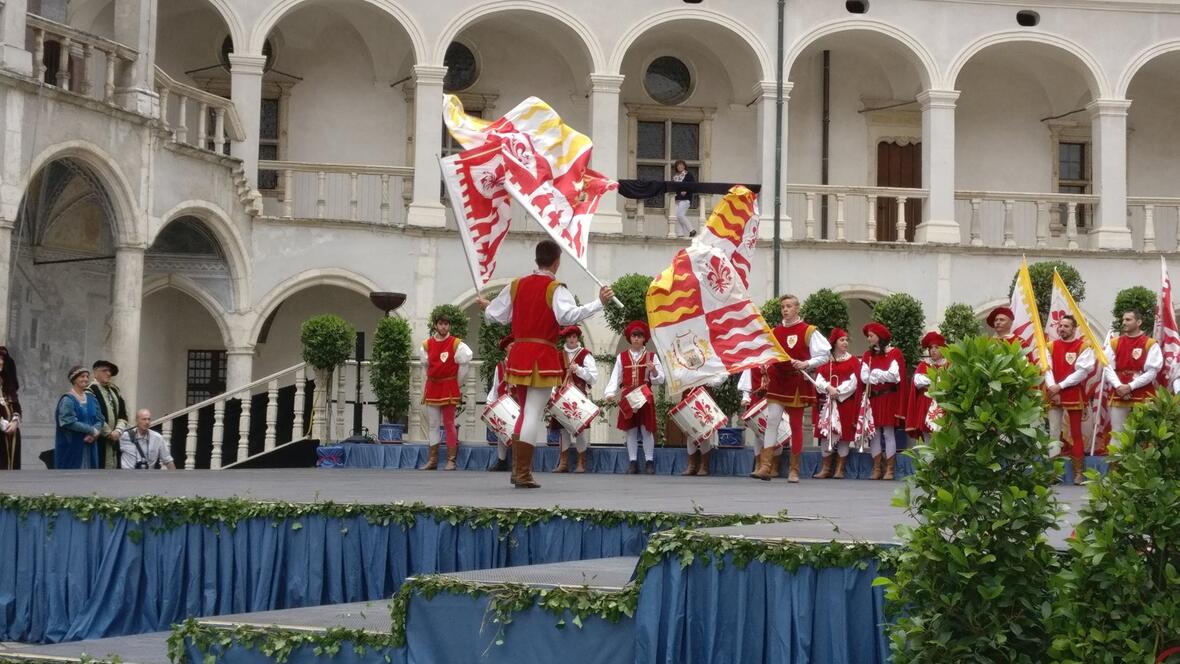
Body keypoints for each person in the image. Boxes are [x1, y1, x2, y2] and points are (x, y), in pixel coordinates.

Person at [481, 239, 613, 489]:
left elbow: (495, 315)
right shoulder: (555, 288)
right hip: (541, 354)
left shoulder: (516, 285)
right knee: (532, 412)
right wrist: (598, 303)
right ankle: (522, 473)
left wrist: (488, 308)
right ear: (556, 262)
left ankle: (518, 470)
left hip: (519, 352)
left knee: (524, 411)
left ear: (536, 259)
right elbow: (568, 316)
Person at [753, 294, 831, 483]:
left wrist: (806, 363)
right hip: (778, 380)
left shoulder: (808, 331)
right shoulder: (774, 332)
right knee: (772, 421)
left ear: (797, 308)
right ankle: (765, 466)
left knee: (796, 425)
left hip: (797, 382)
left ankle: (794, 470)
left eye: (789, 306)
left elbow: (825, 355)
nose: (785, 309)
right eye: (783, 307)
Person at [605, 321, 665, 474]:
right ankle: (632, 462)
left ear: (644, 339)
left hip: (644, 396)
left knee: (646, 430)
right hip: (628, 397)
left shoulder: (651, 356)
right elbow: (616, 376)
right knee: (630, 430)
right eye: (634, 335)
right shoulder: (622, 357)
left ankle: (649, 461)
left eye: (640, 336)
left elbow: (661, 379)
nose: (637, 338)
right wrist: (610, 393)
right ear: (630, 338)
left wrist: (654, 372)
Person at [417, 312, 473, 471]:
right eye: (441, 324)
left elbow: (463, 368)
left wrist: (455, 384)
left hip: (449, 388)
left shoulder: (457, 344)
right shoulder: (426, 345)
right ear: (436, 325)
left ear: (449, 326)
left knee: (449, 424)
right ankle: (433, 460)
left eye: (446, 324)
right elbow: (426, 368)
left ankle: (451, 460)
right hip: (433, 387)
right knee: (433, 424)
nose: (443, 326)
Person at [1044, 315, 1095, 484]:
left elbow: (1082, 372)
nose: (1062, 329)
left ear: (1074, 329)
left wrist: (1060, 386)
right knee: (1053, 432)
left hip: (1072, 391)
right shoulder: (1051, 346)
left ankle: (1078, 472)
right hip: (1054, 391)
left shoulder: (1083, 346)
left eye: (1066, 326)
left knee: (1076, 433)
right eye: (1060, 326)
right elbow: (1047, 368)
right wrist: (1052, 386)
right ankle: (1053, 472)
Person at [812, 328, 861, 479]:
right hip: (828, 403)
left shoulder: (853, 361)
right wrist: (828, 388)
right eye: (842, 340)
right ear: (834, 343)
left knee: (843, 434)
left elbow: (854, 382)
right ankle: (826, 467)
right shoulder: (826, 360)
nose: (845, 342)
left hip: (844, 402)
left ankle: (840, 468)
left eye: (846, 340)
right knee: (827, 433)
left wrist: (838, 391)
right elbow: (818, 379)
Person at [1103, 309, 1162, 435]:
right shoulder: (1114, 343)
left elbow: (1152, 372)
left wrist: (1130, 386)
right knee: (1117, 432)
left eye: (1128, 319)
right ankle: (1117, 456)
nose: (1124, 322)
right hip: (1118, 392)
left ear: (1139, 322)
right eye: (1123, 319)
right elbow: (1107, 367)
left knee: (1143, 434)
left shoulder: (1150, 344)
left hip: (1143, 393)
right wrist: (1119, 387)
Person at [861, 322, 907, 480]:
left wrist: (876, 374)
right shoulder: (868, 356)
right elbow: (864, 377)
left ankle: (890, 469)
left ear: (879, 337)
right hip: (874, 397)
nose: (868, 339)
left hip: (889, 397)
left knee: (888, 432)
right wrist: (878, 375)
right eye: (868, 336)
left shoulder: (895, 353)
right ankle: (876, 468)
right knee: (874, 433)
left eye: (871, 336)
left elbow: (894, 376)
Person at [551, 326, 597, 474]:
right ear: (566, 338)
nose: (572, 339)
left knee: (580, 429)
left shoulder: (585, 354)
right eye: (569, 337)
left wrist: (579, 370)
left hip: (578, 396)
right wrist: (552, 392)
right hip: (562, 396)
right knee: (563, 429)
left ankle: (581, 463)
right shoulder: (558, 355)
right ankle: (563, 463)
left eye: (574, 337)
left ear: (578, 338)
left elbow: (593, 378)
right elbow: (552, 377)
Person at [55, 366, 104, 469]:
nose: (86, 379)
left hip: (90, 445)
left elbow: (100, 419)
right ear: (74, 379)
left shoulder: (92, 398)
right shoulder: (68, 400)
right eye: (82, 376)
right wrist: (91, 430)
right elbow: (68, 421)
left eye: (87, 376)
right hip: (72, 446)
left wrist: (95, 434)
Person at [905, 332, 948, 443]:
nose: (933, 350)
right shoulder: (923, 365)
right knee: (928, 439)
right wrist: (935, 380)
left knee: (942, 439)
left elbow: (948, 382)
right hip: (924, 404)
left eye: (936, 347)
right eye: (930, 348)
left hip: (942, 405)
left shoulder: (948, 365)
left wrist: (930, 379)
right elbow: (917, 381)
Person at [680, 374, 725, 477]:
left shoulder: (709, 358)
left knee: (704, 430)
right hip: (688, 393)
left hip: (704, 395)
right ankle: (691, 465)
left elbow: (722, 375)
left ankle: (704, 465)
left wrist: (709, 380)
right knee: (690, 430)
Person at [88, 359, 128, 469]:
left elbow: (123, 414)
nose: (109, 374)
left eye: (109, 371)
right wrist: (109, 433)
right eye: (105, 370)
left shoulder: (115, 390)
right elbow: (94, 415)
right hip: (98, 439)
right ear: (95, 373)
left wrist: (118, 431)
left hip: (115, 440)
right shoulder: (90, 390)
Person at [485, 335, 514, 473]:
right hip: (504, 403)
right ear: (506, 349)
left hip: (518, 403)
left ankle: (519, 462)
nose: (513, 348)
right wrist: (490, 402)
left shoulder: (523, 364)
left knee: (519, 433)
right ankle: (502, 461)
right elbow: (496, 386)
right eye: (510, 346)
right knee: (502, 432)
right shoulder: (500, 366)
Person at [0, 347, 22, 470]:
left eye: (2, 359)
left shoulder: (7, 384)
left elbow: (16, 405)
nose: (0, 362)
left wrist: (15, 421)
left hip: (11, 432)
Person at [671, 160, 696, 238]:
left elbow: (692, 185)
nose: (680, 166)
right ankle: (680, 234)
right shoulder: (675, 177)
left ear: (684, 166)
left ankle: (692, 230)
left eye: (681, 165)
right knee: (677, 216)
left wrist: (686, 190)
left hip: (686, 198)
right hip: (677, 198)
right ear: (676, 167)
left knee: (680, 215)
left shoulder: (688, 174)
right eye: (678, 165)